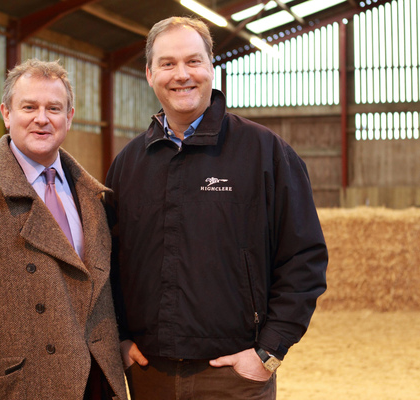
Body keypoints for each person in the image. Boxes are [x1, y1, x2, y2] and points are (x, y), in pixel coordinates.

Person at [105, 17, 328, 399]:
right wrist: (120, 339)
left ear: (211, 67)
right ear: (149, 74)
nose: (182, 75)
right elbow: (105, 262)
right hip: (149, 374)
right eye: (168, 63)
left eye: (193, 61)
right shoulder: (128, 164)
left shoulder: (265, 153)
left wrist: (268, 352)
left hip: (234, 376)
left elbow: (303, 258)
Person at [0, 59, 128, 400]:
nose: (41, 118)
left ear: (69, 117)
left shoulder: (92, 196)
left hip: (96, 384)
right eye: (29, 106)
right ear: (6, 114)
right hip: (23, 388)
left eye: (54, 108)